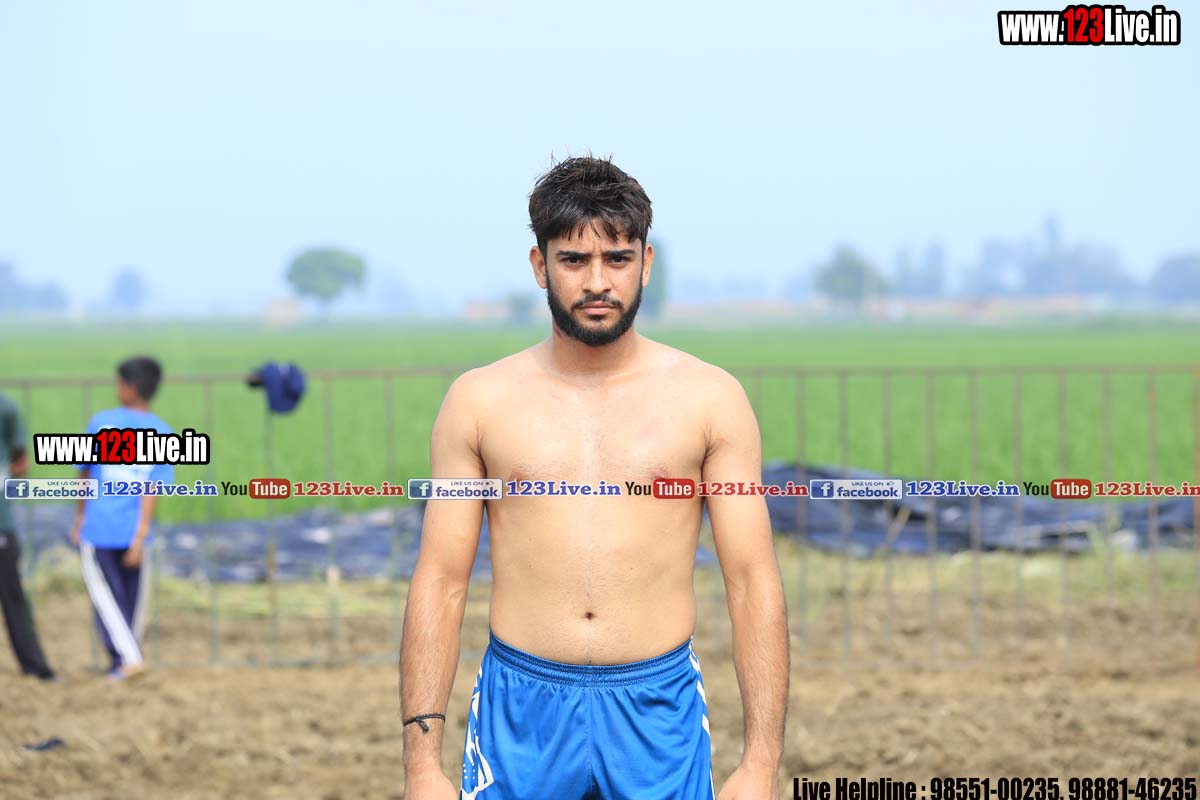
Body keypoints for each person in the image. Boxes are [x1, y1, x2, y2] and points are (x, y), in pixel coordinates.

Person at [399, 156, 789, 800]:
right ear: (540, 266)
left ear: (646, 264)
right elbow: (440, 579)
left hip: (656, 709)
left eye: (617, 258)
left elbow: (752, 579)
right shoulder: (479, 402)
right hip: (520, 710)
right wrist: (421, 767)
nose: (598, 281)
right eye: (574, 260)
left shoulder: (710, 400)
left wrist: (761, 765)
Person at [71, 356, 174, 681]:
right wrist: (140, 536)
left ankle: (129, 659)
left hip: (99, 528)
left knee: (106, 598)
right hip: (134, 531)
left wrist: (79, 518)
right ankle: (125, 661)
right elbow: (152, 489)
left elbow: (84, 475)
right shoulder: (162, 431)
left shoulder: (101, 423)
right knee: (131, 601)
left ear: (130, 387)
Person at [0, 392, 56, 681]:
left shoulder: (5, 407)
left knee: (13, 598)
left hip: (1, 525)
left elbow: (21, 462)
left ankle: (35, 667)